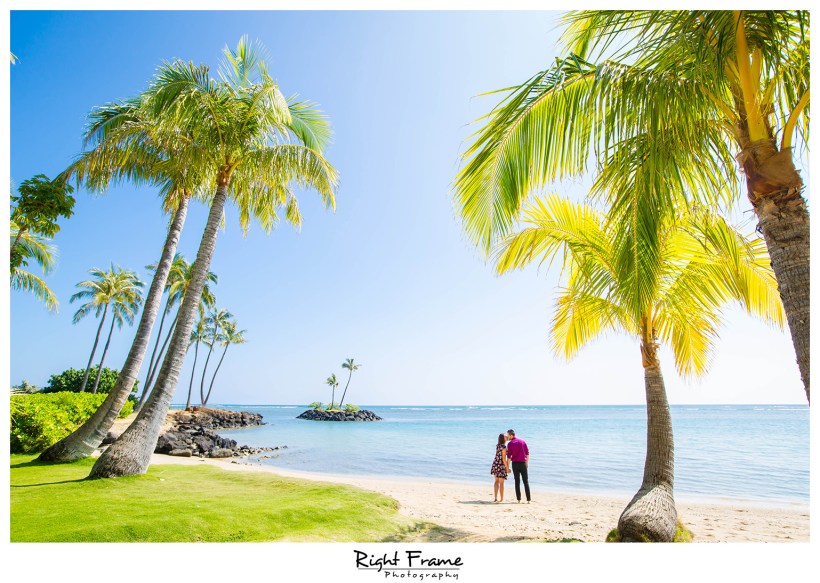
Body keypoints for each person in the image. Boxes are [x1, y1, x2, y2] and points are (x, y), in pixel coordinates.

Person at [505, 429, 530, 503]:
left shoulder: (510, 444)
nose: (508, 437)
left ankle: (519, 499)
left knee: (517, 481)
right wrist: (527, 463)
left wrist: (508, 467)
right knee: (526, 482)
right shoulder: (522, 442)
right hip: (523, 463)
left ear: (511, 435)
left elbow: (509, 457)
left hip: (515, 464)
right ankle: (528, 500)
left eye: (508, 435)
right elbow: (527, 453)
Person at [490, 433, 510, 502]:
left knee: (496, 481)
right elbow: (504, 459)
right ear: (503, 438)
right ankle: (501, 499)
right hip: (501, 465)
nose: (507, 437)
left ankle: (495, 497)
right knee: (501, 483)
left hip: (495, 464)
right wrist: (507, 468)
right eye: (505, 436)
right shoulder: (504, 447)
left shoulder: (498, 446)